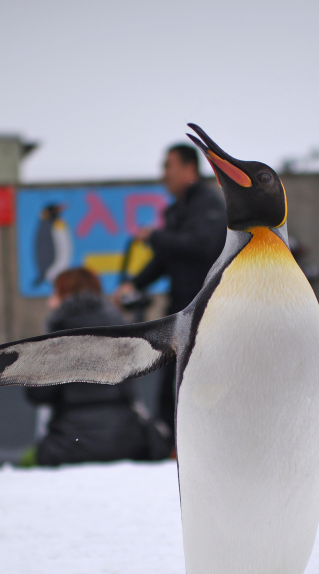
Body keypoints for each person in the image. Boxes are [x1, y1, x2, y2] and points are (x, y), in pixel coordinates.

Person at [112, 143, 227, 433]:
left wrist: (156, 237)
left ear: (190, 168)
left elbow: (202, 247)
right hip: (181, 311)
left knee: (200, 385)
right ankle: (171, 445)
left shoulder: (208, 203)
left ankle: (198, 443)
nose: (163, 175)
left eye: (168, 166)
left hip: (207, 314)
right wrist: (133, 283)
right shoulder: (178, 209)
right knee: (171, 387)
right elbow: (167, 259)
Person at [26, 268, 157, 466]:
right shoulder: (119, 327)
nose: (49, 302)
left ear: (66, 295)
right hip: (126, 441)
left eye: (54, 294)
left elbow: (37, 395)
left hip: (69, 444)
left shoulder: (57, 337)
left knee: (26, 462)